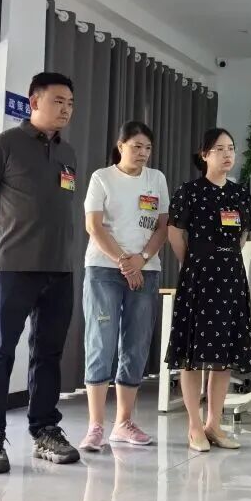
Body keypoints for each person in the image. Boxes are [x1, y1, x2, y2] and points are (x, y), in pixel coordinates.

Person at [0, 72, 81, 474]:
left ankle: (45, 429)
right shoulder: (4, 144)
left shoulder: (68, 153)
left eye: (70, 103)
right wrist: (12, 232)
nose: (65, 109)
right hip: (15, 266)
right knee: (0, 350)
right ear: (34, 102)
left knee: (49, 353)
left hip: (60, 268)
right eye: (58, 101)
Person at [78, 121, 171, 452]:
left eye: (148, 147)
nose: (143, 153)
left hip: (146, 269)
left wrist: (141, 260)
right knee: (101, 341)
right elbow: (94, 225)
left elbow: (163, 227)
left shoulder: (156, 179)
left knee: (136, 343)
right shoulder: (102, 177)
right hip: (104, 268)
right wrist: (123, 261)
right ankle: (95, 426)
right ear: (121, 146)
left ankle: (124, 422)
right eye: (136, 146)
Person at [164, 128, 251, 452]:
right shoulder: (189, 192)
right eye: (220, 149)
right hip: (198, 277)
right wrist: (193, 263)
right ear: (204, 154)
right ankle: (194, 427)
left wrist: (225, 258)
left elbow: (243, 235)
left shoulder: (240, 193)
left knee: (223, 356)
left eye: (231, 148)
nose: (227, 154)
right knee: (192, 356)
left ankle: (214, 424)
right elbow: (175, 233)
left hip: (231, 277)